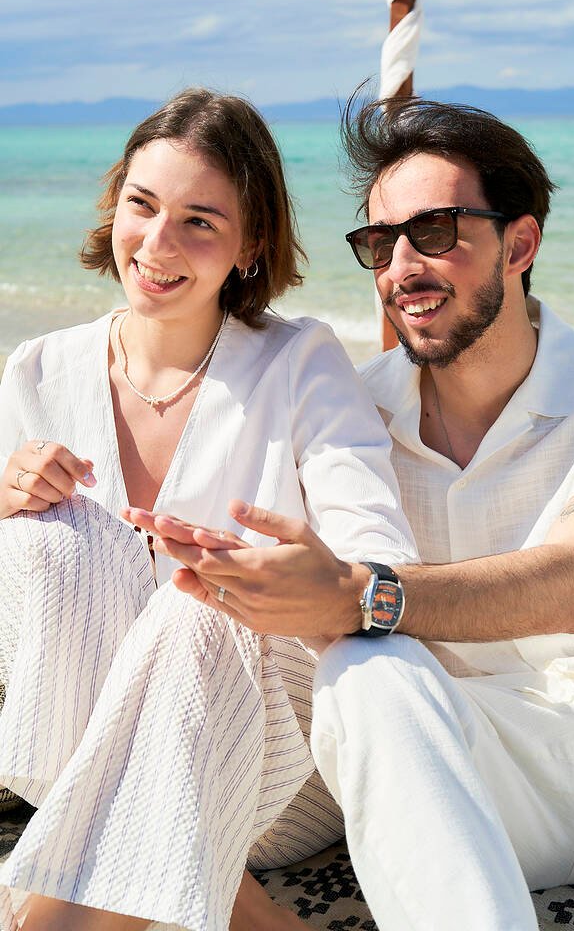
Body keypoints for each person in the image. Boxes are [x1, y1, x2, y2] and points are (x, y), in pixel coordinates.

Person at [133, 96, 574, 931]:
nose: (400, 267)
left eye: (434, 232)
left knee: (363, 625)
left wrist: (364, 594)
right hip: (469, 775)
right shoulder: (350, 415)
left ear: (519, 243)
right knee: (366, 673)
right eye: (378, 243)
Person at [0, 88, 417, 931]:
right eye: (142, 206)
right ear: (115, 201)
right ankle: (234, 909)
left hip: (270, 770)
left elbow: (380, 547)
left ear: (252, 243)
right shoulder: (39, 371)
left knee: (198, 609)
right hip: (79, 760)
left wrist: (277, 573)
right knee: (49, 541)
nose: (157, 245)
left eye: (200, 221)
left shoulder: (299, 361)